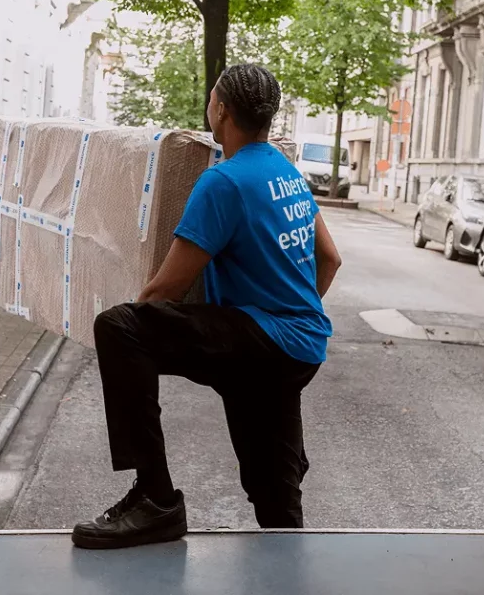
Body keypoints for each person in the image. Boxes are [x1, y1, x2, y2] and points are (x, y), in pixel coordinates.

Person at [71, 63, 342, 550]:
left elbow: (165, 293)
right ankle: (287, 560)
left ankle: (155, 499)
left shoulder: (224, 182)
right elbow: (330, 258)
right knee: (273, 493)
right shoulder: (286, 171)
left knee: (118, 328)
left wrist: (133, 341)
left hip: (262, 341)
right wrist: (287, 314)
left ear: (221, 111)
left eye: (212, 98)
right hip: (300, 348)